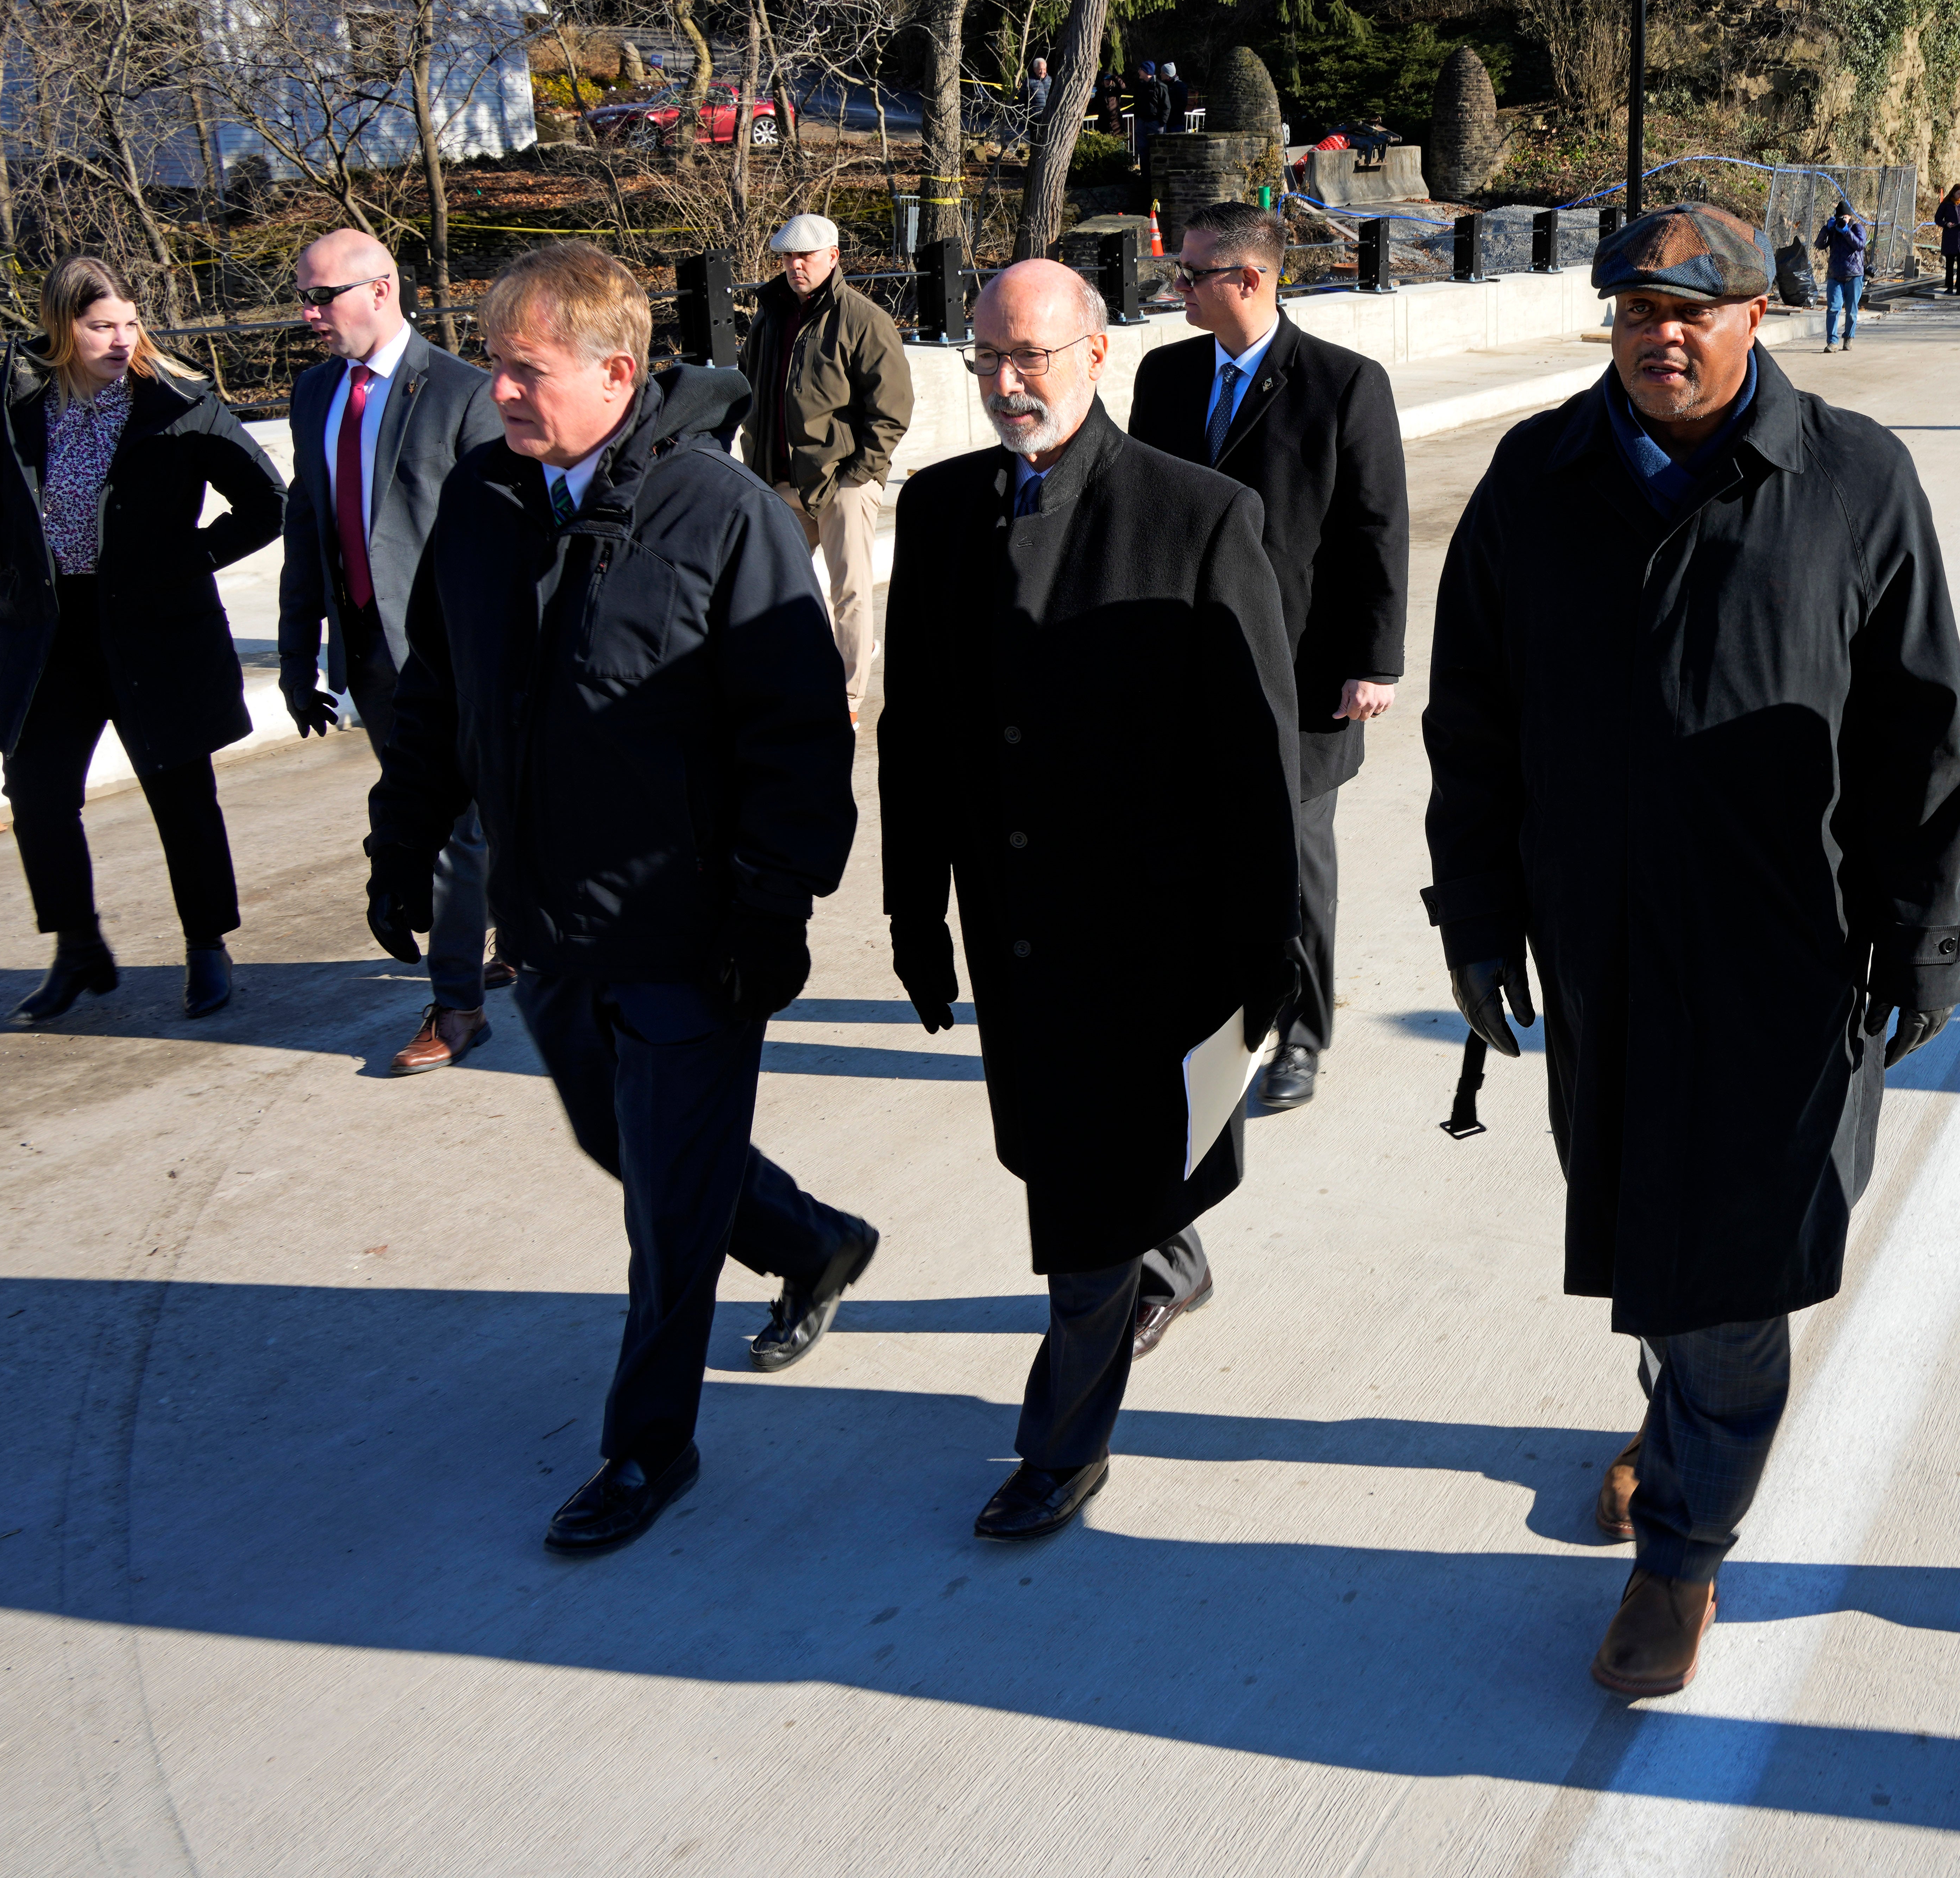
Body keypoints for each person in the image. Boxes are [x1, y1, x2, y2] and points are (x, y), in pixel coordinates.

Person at [1422, 202, 1960, 1700]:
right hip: (1598, 953)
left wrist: (1925, 942)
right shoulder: (1534, 481)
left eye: (1696, 311)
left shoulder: (1852, 479)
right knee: (1651, 1240)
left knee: (1734, 1275)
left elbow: (1920, 729)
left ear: (1758, 317)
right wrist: (1475, 917)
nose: (1662, 338)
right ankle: (1676, 1423)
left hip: (1791, 966)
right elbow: (1470, 727)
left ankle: (1679, 1550)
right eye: (1635, 312)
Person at [366, 243, 880, 1555]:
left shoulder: (722, 515)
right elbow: (437, 693)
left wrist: (773, 911)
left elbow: (799, 738)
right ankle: (813, 1240)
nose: (499, 393)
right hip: (549, 926)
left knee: (664, 1207)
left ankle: (646, 1447)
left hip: (691, 936)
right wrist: (402, 842)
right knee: (626, 1144)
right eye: (491, 365)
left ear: (617, 371)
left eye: (524, 370)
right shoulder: (485, 500)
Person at [881, 257, 1299, 1542]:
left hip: (1150, 941)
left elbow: (1257, 763)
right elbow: (915, 735)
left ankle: (1060, 1447)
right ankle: (1164, 1255)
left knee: (1081, 1209)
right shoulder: (941, 509)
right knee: (1079, 1171)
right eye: (988, 360)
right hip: (1012, 930)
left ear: (1098, 353)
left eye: (1035, 359)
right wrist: (913, 913)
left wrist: (1266, 954)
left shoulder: (1199, 515)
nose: (1010, 384)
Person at [1125, 199, 1407, 1338]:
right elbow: (1135, 505)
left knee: (1296, 850)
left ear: (1245, 278)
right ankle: (1217, 1011)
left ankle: (1300, 1031)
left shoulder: (1345, 386)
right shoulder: (1163, 382)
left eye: (1190, 277)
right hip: (1189, 665)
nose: (1175, 293)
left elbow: (1377, 531)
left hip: (1303, 671)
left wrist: (1373, 663)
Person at [0, 257, 284, 1024]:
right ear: (63, 326)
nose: (121, 339)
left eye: (130, 323)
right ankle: (77, 947)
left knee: (181, 794)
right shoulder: (10, 398)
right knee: (38, 796)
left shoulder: (178, 403)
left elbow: (267, 502)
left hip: (156, 629)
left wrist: (186, 561)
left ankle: (207, 948)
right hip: (48, 629)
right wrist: (12, 555)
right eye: (101, 327)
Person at [275, 228, 509, 1075]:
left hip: (460, 657)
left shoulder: (464, 394)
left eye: (320, 295)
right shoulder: (314, 395)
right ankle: (506, 938)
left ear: (380, 290)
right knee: (445, 821)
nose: (307, 313)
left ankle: (458, 1004)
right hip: (373, 657)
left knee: (454, 831)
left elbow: (503, 542)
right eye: (303, 294)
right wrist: (300, 659)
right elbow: (307, 530)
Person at [737, 212, 914, 724]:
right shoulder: (769, 316)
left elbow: (893, 407)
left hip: (842, 481)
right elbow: (750, 388)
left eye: (806, 257)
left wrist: (860, 473)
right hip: (779, 479)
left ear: (833, 257)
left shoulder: (862, 319)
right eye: (788, 258)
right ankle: (793, 680)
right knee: (776, 590)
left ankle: (849, 700)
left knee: (851, 593)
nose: (795, 266)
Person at [1817, 201, 1870, 349]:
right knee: (1833, 309)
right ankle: (1832, 342)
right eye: (1840, 218)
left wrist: (1846, 231)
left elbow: (1860, 245)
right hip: (1835, 275)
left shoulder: (1857, 228)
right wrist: (1826, 229)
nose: (1843, 220)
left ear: (1850, 217)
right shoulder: (1833, 229)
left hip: (1855, 276)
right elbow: (1819, 245)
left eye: (1845, 218)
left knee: (1852, 311)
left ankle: (1849, 337)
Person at [1934, 184, 1960, 293]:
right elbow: (1938, 219)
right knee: (1950, 264)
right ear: (1953, 193)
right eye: (1959, 194)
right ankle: (1949, 287)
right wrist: (1946, 224)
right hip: (1950, 237)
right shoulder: (1946, 204)